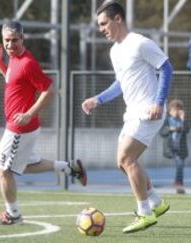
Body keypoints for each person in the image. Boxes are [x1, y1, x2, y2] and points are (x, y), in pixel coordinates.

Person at [81, 0, 171, 234]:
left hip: (148, 111)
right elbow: (121, 83)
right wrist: (97, 99)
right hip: (132, 113)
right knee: (122, 163)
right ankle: (156, 202)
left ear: (117, 19)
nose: (101, 29)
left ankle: (144, 212)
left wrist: (158, 103)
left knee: (126, 159)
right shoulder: (115, 51)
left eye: (104, 23)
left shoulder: (141, 43)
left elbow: (166, 68)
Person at [0, 20, 87, 225]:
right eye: (7, 40)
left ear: (22, 39)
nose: (10, 44)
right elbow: (13, 79)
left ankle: (13, 214)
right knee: (26, 165)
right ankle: (70, 168)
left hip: (20, 128)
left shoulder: (27, 63)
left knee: (3, 169)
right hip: (19, 127)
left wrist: (29, 113)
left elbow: (49, 90)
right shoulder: (14, 60)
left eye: (15, 40)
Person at [160, 99, 189, 194]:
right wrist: (171, 129)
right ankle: (178, 184)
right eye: (175, 110)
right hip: (171, 148)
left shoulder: (183, 120)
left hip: (181, 149)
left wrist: (183, 120)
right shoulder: (167, 120)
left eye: (179, 110)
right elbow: (162, 132)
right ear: (170, 111)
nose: (177, 112)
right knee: (179, 165)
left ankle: (178, 184)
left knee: (180, 165)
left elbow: (187, 130)